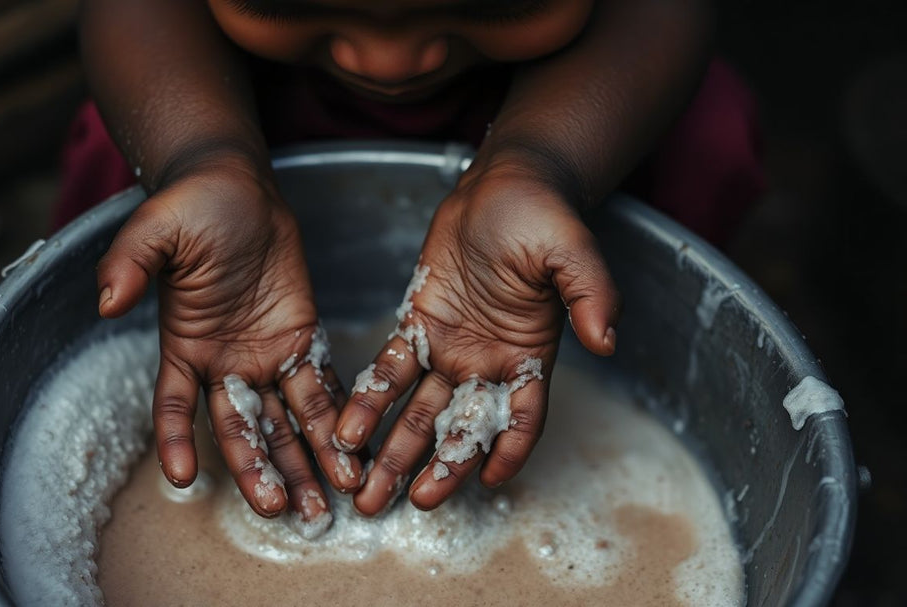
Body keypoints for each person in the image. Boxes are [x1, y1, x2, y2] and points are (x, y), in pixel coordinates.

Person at [65, 0, 764, 533]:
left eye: (495, 5)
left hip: (583, 97)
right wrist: (199, 155)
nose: (388, 63)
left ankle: (636, 337)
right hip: (225, 94)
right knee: (123, 163)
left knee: (709, 137)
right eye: (292, 4)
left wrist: (542, 164)